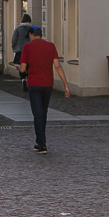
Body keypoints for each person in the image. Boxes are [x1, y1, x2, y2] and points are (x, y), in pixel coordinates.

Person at [16, 24, 68, 154]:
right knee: (43, 112)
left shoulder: (27, 47)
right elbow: (57, 66)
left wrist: (17, 67)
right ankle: (39, 141)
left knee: (37, 113)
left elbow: (23, 68)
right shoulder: (51, 46)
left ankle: (42, 144)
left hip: (34, 84)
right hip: (47, 84)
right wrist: (65, 84)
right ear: (41, 34)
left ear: (30, 35)